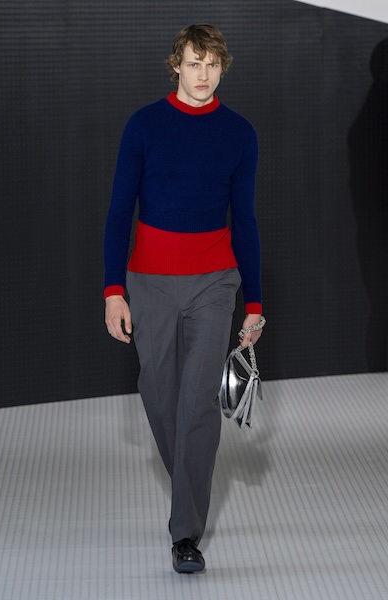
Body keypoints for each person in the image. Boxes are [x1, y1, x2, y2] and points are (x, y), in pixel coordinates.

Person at [104, 23, 264, 574]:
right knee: (158, 392)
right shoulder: (144, 125)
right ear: (176, 65)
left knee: (198, 401)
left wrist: (255, 303)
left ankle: (185, 536)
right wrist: (114, 291)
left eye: (212, 64)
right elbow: (119, 211)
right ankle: (189, 488)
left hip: (214, 281)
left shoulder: (239, 133)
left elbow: (245, 220)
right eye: (194, 63)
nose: (203, 74)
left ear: (223, 68)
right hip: (149, 282)